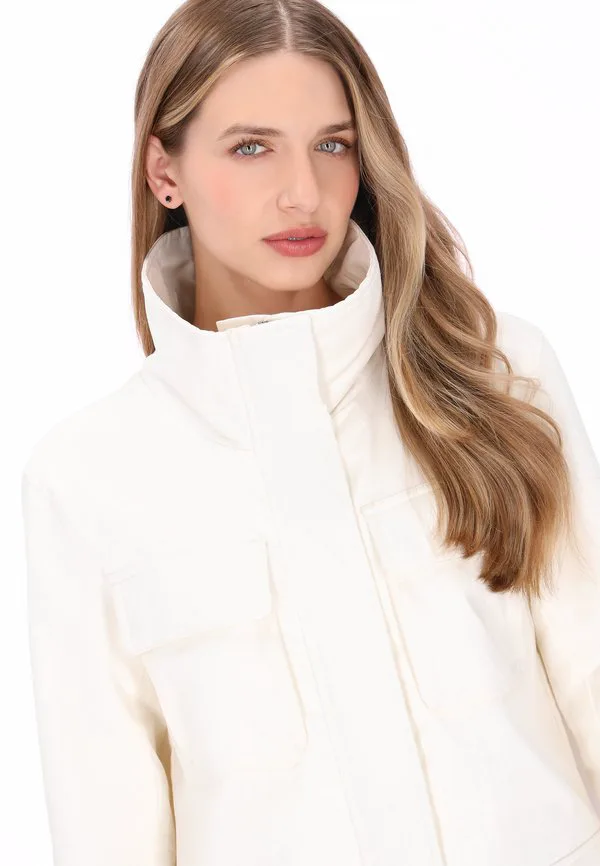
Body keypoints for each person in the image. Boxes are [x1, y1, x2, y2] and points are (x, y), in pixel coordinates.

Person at [20, 0, 600, 864]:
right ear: (164, 170)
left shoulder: (494, 373)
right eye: (251, 147)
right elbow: (107, 829)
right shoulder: (86, 478)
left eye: (332, 144)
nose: (304, 192)